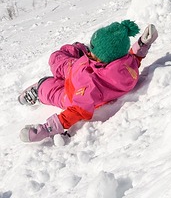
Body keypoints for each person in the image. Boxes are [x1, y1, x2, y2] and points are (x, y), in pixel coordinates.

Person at [18, 20, 158, 142]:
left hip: (70, 94)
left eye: (93, 52)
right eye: (91, 50)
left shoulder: (91, 88)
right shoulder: (124, 65)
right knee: (56, 57)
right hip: (78, 67)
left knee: (47, 87)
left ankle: (39, 89)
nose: (90, 53)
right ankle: (79, 49)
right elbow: (134, 58)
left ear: (105, 59)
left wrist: (46, 129)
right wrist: (143, 44)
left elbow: (76, 112)